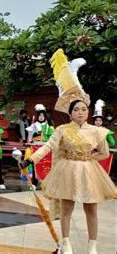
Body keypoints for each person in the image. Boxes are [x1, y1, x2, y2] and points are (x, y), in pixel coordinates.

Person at [20, 49, 116, 254]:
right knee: (67, 208)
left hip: (89, 171)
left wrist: (91, 157)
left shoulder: (97, 131)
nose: (80, 112)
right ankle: (65, 242)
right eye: (76, 110)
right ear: (70, 113)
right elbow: (47, 147)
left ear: (87, 111)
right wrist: (31, 161)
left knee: (91, 208)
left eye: (83, 109)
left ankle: (92, 246)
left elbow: (105, 153)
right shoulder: (62, 130)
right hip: (67, 170)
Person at [25, 104, 55, 188]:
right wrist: (33, 139)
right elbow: (30, 138)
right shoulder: (33, 126)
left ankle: (48, 183)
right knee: (36, 165)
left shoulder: (49, 127)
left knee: (48, 165)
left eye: (43, 115)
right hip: (35, 148)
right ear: (37, 116)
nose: (41, 117)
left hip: (47, 149)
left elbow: (53, 138)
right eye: (40, 115)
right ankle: (34, 182)